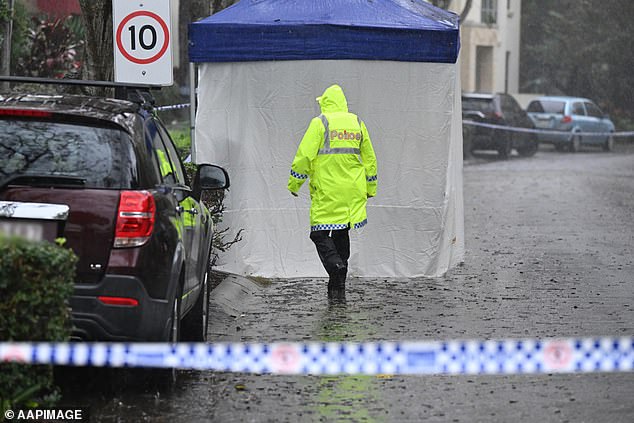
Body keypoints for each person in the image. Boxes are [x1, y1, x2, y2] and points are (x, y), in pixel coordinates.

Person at [288, 84, 378, 298]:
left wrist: (294, 183)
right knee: (341, 231)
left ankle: (336, 265)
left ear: (326, 103)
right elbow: (370, 159)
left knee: (318, 233)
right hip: (353, 189)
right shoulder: (357, 122)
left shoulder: (320, 123)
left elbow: (304, 155)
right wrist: (371, 187)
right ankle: (338, 285)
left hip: (328, 189)